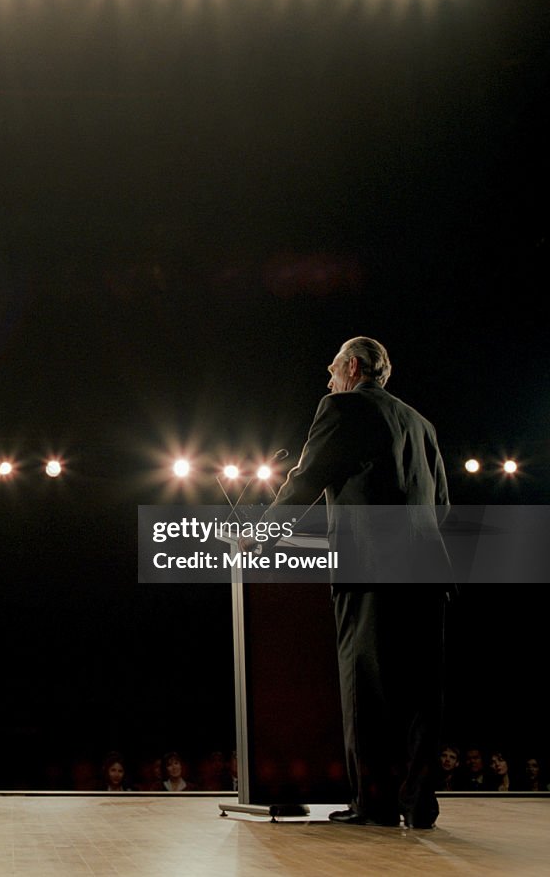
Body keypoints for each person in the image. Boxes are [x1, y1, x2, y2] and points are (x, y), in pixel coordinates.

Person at [242, 337, 452, 829]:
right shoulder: (420, 423)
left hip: (372, 572)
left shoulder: (343, 406)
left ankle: (374, 805)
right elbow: (441, 506)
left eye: (333, 367)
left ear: (352, 366)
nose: (329, 377)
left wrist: (263, 533)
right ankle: (419, 805)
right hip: (429, 572)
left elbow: (307, 478)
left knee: (368, 689)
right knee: (422, 695)